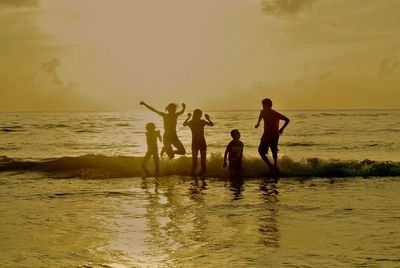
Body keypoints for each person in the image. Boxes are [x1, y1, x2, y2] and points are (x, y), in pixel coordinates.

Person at [255, 98, 290, 175]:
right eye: (262, 105)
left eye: (265, 105)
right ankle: (270, 166)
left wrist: (281, 129)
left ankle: (275, 166)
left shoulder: (275, 113)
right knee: (261, 151)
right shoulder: (263, 111)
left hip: (274, 135)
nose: (263, 107)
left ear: (269, 105)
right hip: (265, 135)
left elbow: (287, 120)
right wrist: (258, 123)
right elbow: (261, 115)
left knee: (274, 151)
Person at [183, 109, 214, 176]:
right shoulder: (191, 122)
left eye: (200, 114)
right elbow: (184, 124)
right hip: (195, 143)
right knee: (194, 163)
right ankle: (193, 177)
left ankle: (203, 177)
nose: (199, 116)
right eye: (197, 114)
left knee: (203, 162)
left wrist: (208, 119)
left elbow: (212, 124)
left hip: (202, 142)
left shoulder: (202, 121)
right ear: (194, 114)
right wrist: (188, 117)